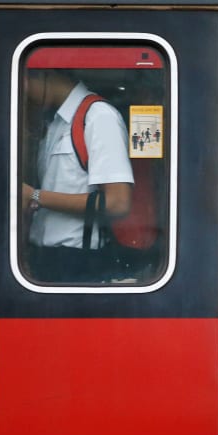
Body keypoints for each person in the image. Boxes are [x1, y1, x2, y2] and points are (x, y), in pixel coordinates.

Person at [21, 69, 133, 282]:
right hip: (43, 257)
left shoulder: (98, 117)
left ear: (44, 75)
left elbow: (118, 202)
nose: (23, 94)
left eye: (24, 83)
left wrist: (34, 196)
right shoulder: (56, 122)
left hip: (76, 261)